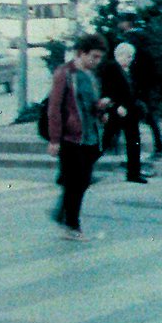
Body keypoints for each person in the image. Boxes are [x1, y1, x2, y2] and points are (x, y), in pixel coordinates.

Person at [47, 34, 110, 241]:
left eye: (99, 57)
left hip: (91, 136)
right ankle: (72, 225)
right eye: (93, 56)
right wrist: (55, 139)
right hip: (71, 137)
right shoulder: (65, 73)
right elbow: (54, 108)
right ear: (81, 53)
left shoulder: (90, 76)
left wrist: (101, 109)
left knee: (81, 181)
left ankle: (63, 215)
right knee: (77, 181)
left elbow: (90, 104)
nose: (96, 61)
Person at [115, 14, 162, 161]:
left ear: (127, 23)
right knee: (148, 116)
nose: (119, 25)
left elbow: (131, 64)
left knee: (132, 115)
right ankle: (158, 147)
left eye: (121, 22)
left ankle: (157, 148)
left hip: (136, 85)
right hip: (146, 84)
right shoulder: (145, 38)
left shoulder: (131, 39)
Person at [100, 42, 148, 184]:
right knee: (104, 142)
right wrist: (115, 106)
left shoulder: (129, 72)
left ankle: (134, 173)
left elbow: (133, 91)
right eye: (127, 56)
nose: (130, 59)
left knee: (134, 142)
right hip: (117, 112)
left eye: (131, 57)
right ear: (119, 56)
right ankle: (80, 170)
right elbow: (106, 91)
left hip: (130, 112)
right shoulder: (111, 70)